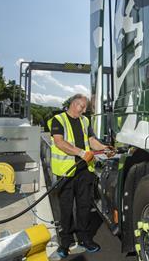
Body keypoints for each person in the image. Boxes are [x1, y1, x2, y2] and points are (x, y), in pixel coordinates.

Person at [48, 94, 113, 258]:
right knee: (66, 208)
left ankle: (84, 238)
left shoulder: (85, 121)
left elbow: (91, 140)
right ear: (72, 103)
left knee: (84, 206)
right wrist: (82, 153)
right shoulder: (58, 120)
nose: (83, 110)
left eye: (85, 107)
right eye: (81, 106)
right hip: (66, 172)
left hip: (84, 171)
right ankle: (66, 242)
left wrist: (104, 148)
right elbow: (59, 142)